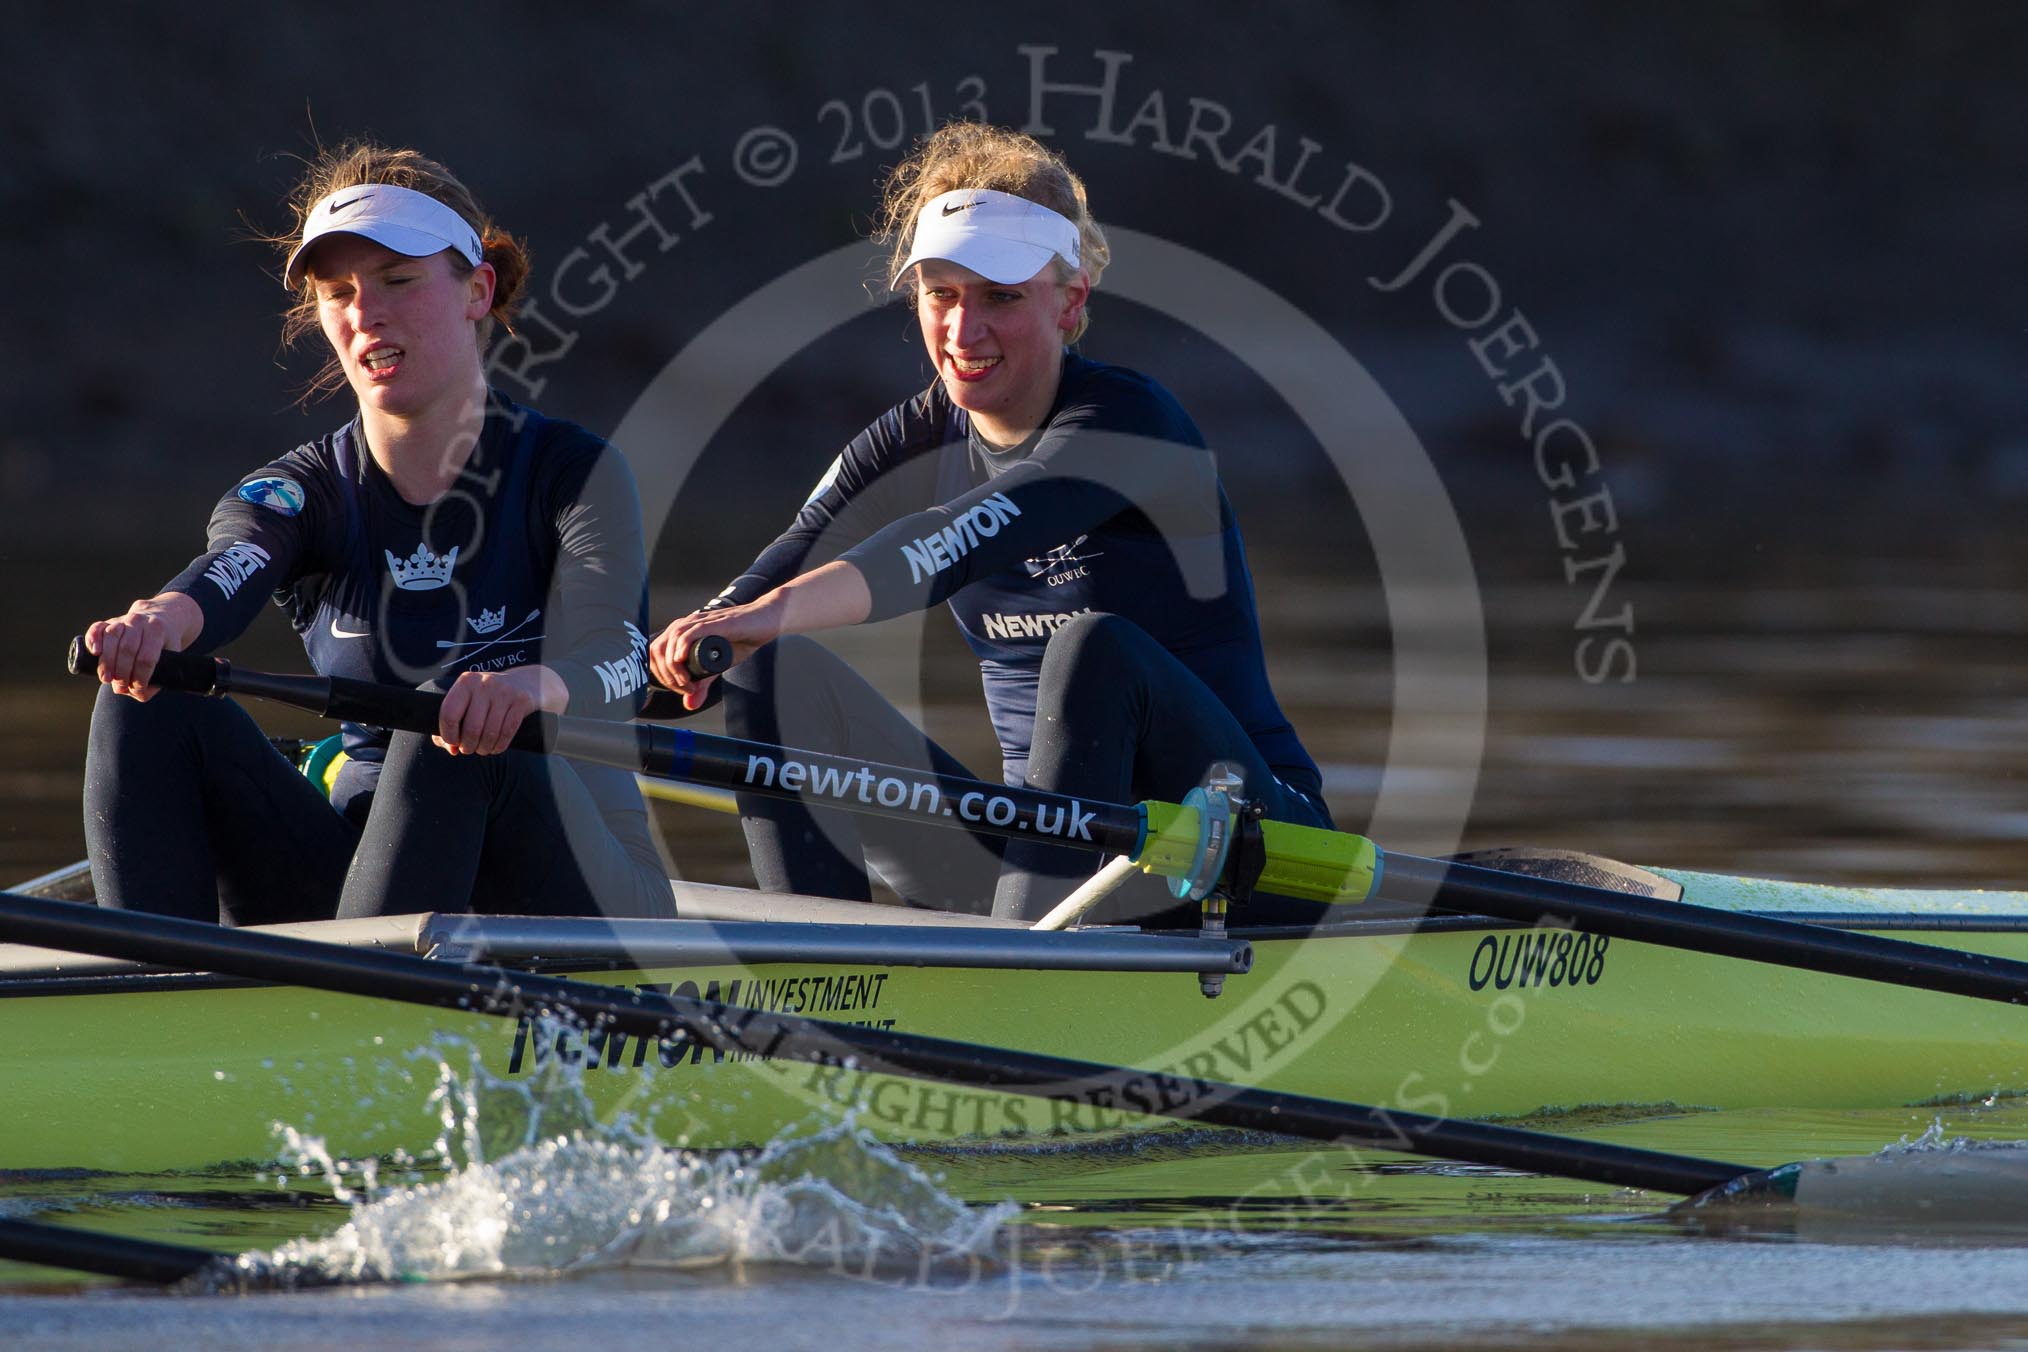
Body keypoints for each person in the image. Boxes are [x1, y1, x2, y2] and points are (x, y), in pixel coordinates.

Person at [649, 122, 1330, 927]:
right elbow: (744, 604)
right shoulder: (905, 441)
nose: (964, 333)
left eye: (1001, 298)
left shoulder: (1131, 423)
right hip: (1052, 857)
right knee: (766, 667)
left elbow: (959, 536)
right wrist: (550, 686)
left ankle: (1019, 968)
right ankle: (818, 985)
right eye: (942, 294)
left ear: (1070, 300)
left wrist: (760, 617)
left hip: (1251, 847)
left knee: (1092, 647)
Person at [82, 142, 672, 926]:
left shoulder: (572, 473)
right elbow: (230, 568)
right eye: (338, 293)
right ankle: (150, 1017)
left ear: (477, 289)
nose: (367, 313)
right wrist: (159, 621)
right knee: (144, 696)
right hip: (372, 873)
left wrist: (536, 688)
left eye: (398, 281)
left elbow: (622, 654)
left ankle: (352, 1015)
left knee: (445, 722)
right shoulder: (302, 491)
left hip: (581, 893)